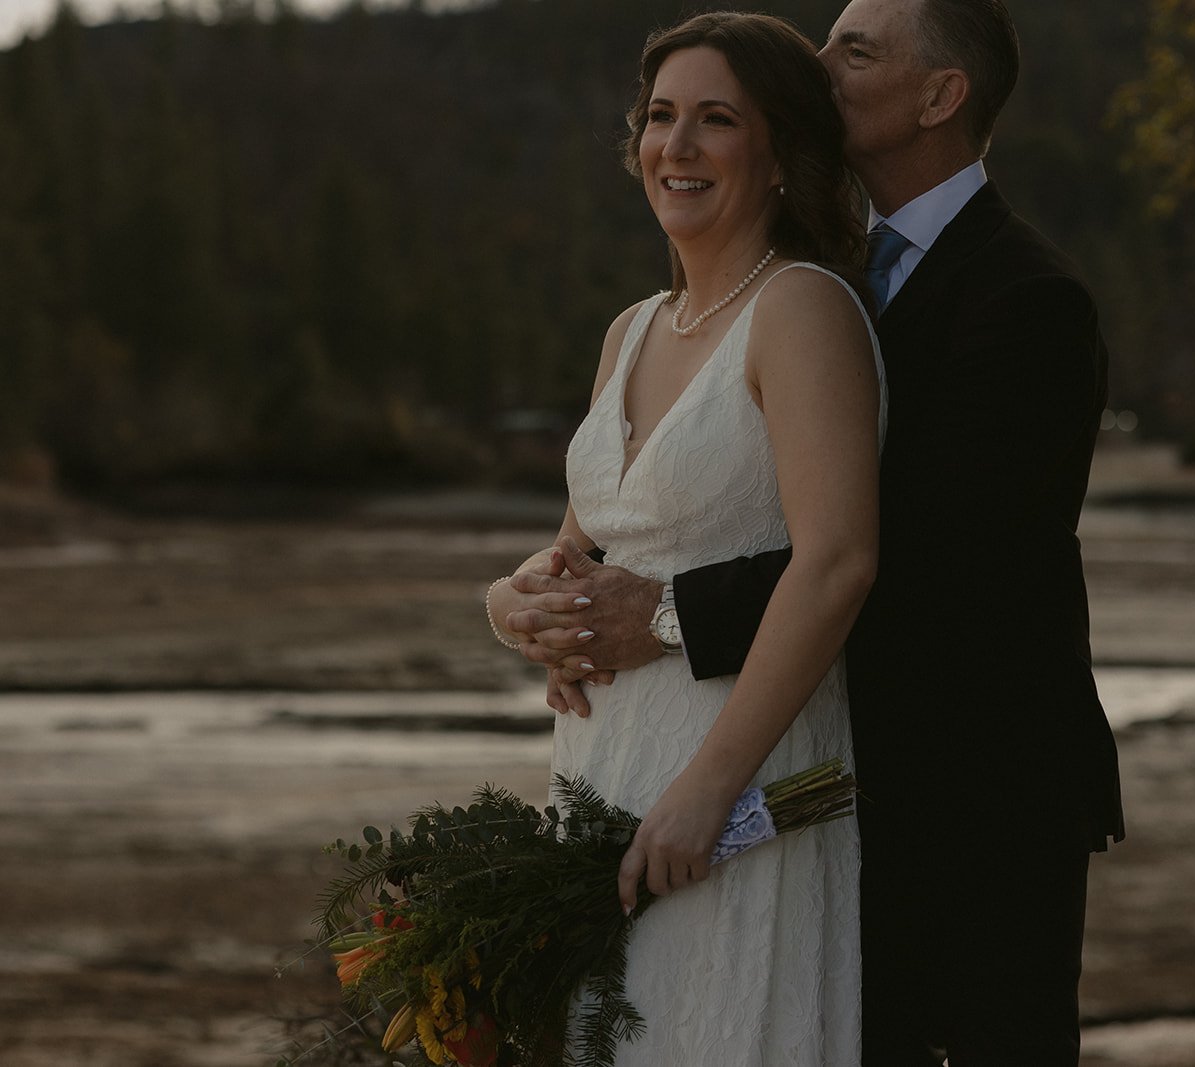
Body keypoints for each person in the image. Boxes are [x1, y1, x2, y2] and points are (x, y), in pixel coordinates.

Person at [501, 2, 1126, 1064]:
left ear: (940, 96)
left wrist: (661, 617)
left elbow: (928, 560)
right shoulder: (807, 278)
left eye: (855, 48)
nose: (819, 61)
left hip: (971, 794)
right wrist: (525, 602)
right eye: (658, 117)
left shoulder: (1026, 300)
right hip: (802, 775)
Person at [484, 11, 883, 1066]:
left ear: (781, 154)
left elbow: (837, 560)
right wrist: (511, 600)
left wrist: (712, 786)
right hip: (600, 766)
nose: (679, 145)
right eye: (662, 117)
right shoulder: (633, 327)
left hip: (738, 779)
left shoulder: (802, 310)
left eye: (717, 120)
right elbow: (581, 548)